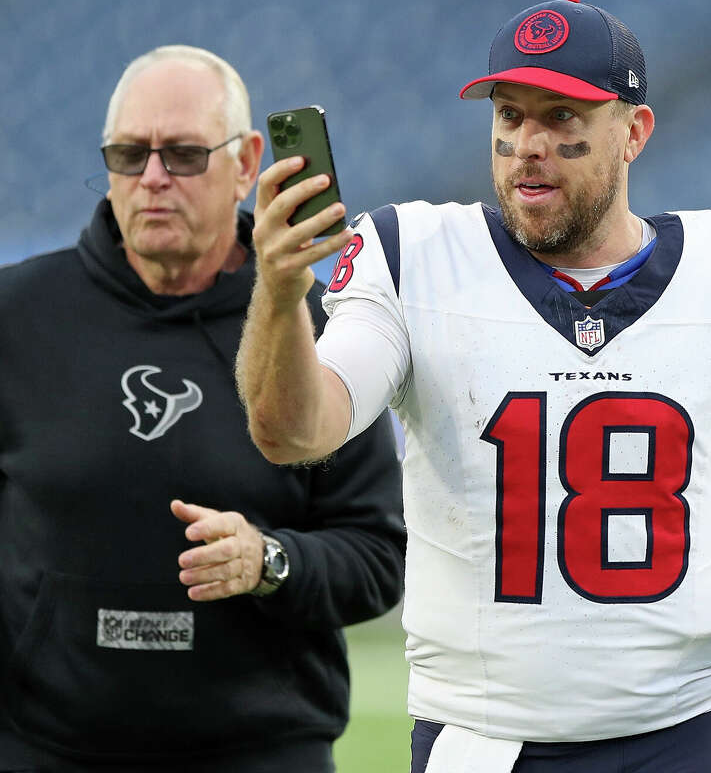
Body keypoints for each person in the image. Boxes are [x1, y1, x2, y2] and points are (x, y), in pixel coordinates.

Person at [238, 0, 711, 773]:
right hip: (481, 742)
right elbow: (298, 431)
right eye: (511, 115)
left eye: (561, 116)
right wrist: (277, 293)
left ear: (634, 132)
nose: (528, 145)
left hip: (678, 736)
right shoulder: (411, 257)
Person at [0, 45, 406, 772]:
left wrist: (271, 561)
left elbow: (378, 558)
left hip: (260, 753)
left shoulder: (323, 327)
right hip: (46, 751)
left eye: (184, 155)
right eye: (129, 155)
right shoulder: (17, 316)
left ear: (249, 164)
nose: (152, 179)